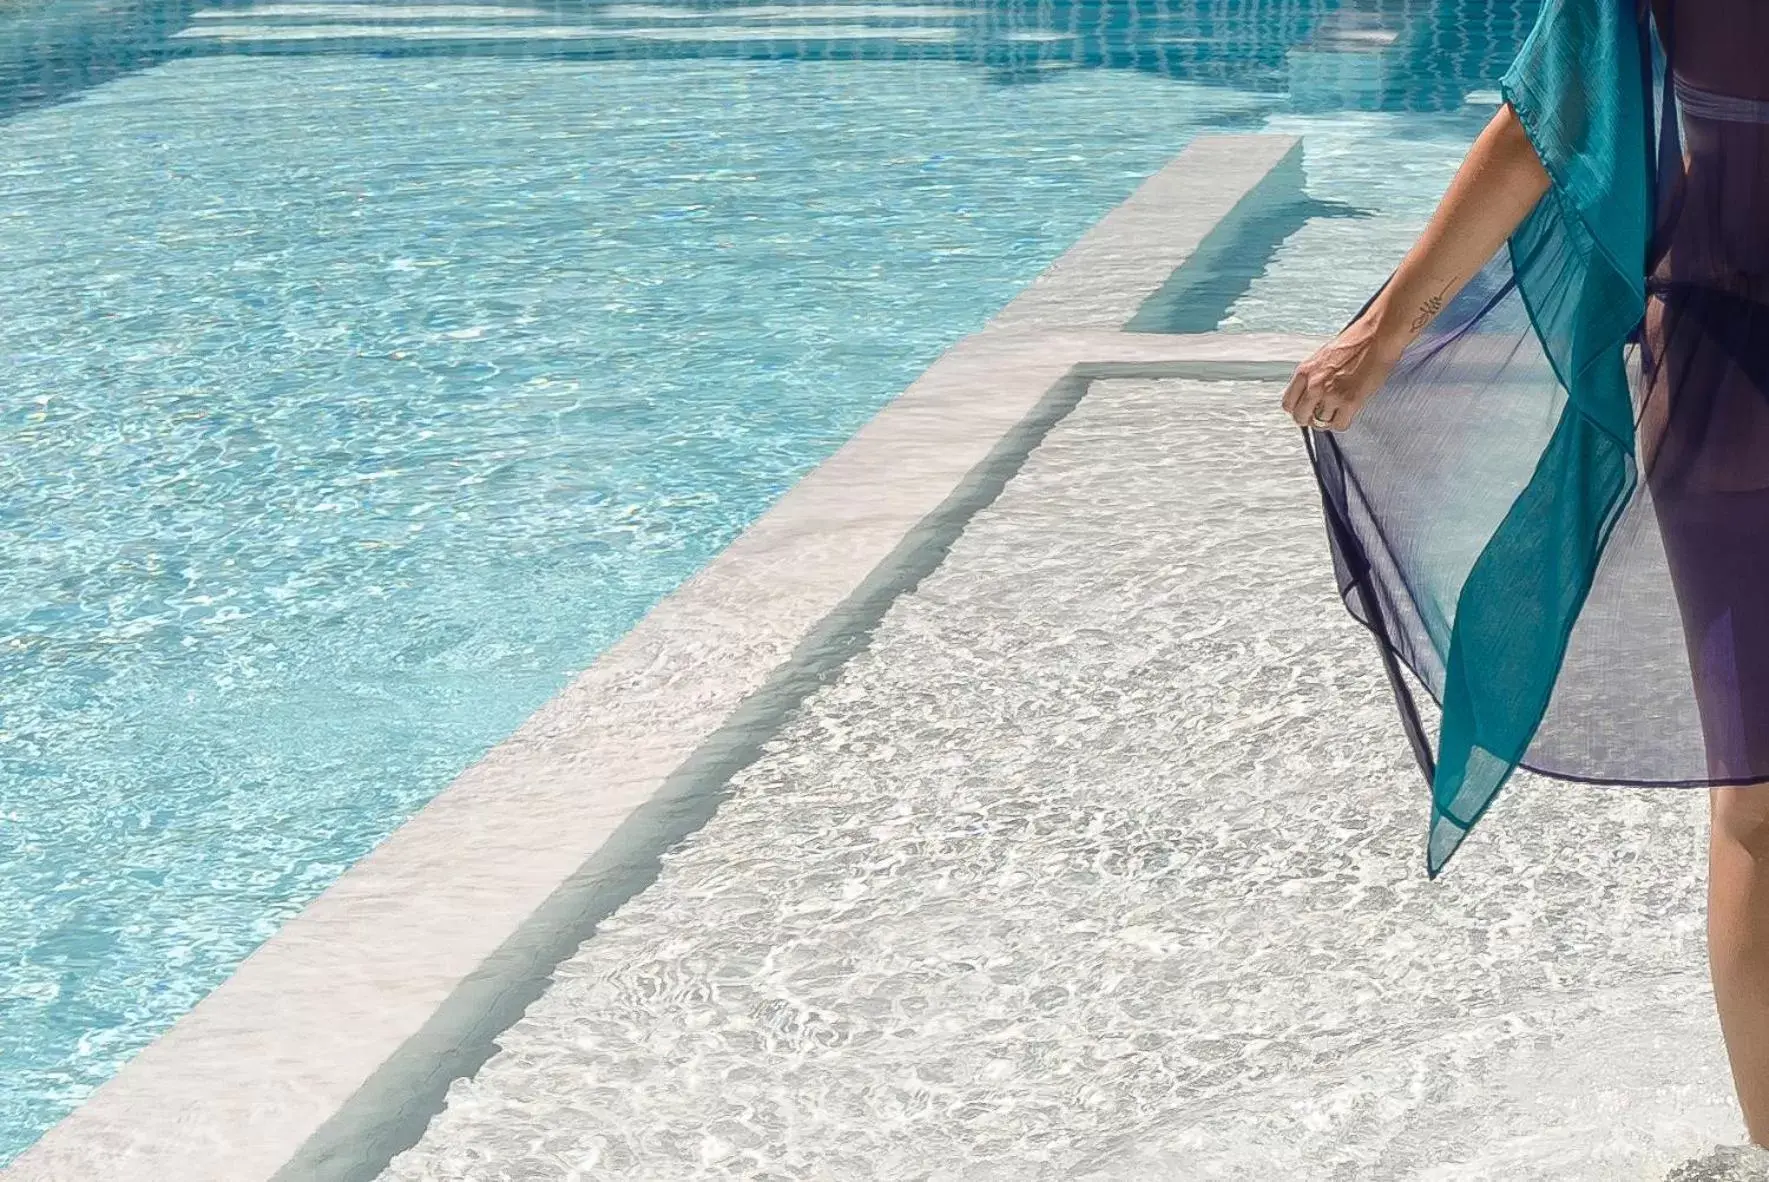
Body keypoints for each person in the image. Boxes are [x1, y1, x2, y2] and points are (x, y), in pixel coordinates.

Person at [1282, 0, 1769, 1163]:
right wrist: (1384, 329)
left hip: (1719, 373)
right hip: (1728, 377)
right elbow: (1547, 112)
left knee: (1758, 810)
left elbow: (1546, 116)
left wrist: (1388, 331)